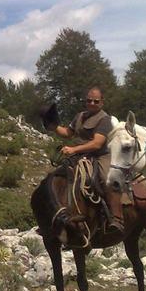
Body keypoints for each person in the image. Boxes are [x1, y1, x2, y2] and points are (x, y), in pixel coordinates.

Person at [48, 87, 123, 233]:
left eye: (96, 101)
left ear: (102, 102)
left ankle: (116, 218)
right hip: (79, 156)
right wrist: (53, 125)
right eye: (89, 100)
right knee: (57, 178)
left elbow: (97, 143)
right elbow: (68, 133)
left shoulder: (104, 119)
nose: (92, 103)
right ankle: (59, 216)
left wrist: (73, 150)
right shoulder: (80, 116)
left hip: (100, 155)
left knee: (106, 179)